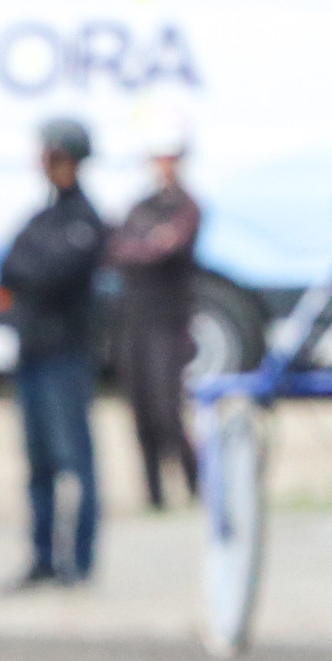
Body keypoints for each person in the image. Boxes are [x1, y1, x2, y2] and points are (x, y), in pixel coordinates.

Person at [0, 115, 106, 587]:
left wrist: (30, 273)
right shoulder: (42, 218)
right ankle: (42, 557)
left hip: (67, 356)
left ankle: (78, 560)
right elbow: (12, 265)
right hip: (34, 354)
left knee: (74, 461)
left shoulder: (85, 220)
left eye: (57, 157)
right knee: (38, 464)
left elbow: (49, 272)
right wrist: (29, 272)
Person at [104, 121, 202, 510]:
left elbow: (164, 247)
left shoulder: (188, 207)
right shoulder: (141, 207)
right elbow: (118, 250)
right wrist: (146, 246)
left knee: (167, 410)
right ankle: (155, 494)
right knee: (140, 410)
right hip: (135, 323)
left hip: (169, 323)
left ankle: (196, 484)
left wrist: (143, 248)